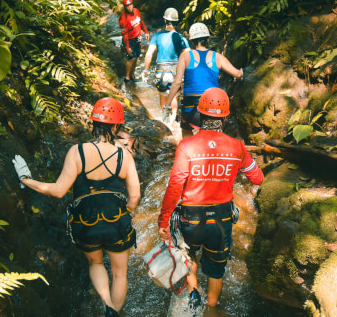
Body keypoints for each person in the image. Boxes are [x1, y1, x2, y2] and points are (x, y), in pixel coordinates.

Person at [14, 98, 141, 317]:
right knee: (120, 274)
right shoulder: (125, 156)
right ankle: (114, 314)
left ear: (93, 123)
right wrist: (125, 213)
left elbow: (58, 190)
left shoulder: (77, 152)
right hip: (116, 221)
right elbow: (135, 195)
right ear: (117, 126)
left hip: (86, 222)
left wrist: (26, 179)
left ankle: (107, 305)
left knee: (96, 264)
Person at [156, 88, 263, 311]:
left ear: (200, 114)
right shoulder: (237, 146)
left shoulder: (186, 146)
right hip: (221, 221)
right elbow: (258, 178)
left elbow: (175, 186)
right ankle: (212, 308)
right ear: (225, 117)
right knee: (216, 269)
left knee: (190, 254)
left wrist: (163, 221)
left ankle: (194, 293)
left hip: (191, 219)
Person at [163, 22, 243, 138]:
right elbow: (237, 74)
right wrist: (242, 73)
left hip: (191, 107)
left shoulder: (185, 56)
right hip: (214, 106)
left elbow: (177, 83)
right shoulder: (218, 57)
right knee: (212, 137)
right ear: (208, 40)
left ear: (192, 41)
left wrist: (167, 105)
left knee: (186, 131)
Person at [142, 7, 189, 121]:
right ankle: (173, 123)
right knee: (174, 97)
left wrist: (146, 70)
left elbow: (149, 54)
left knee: (163, 95)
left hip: (160, 71)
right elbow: (189, 56)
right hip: (175, 70)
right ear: (176, 21)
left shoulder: (157, 36)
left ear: (165, 21)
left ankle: (165, 122)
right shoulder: (181, 38)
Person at [118, 0, 150, 83]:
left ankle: (132, 76)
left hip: (137, 38)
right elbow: (124, 34)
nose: (130, 7)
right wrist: (127, 47)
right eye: (127, 6)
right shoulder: (123, 18)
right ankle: (127, 78)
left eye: (130, 5)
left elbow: (141, 22)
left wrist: (146, 31)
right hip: (129, 40)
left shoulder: (136, 11)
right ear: (125, 7)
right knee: (131, 58)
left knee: (136, 57)